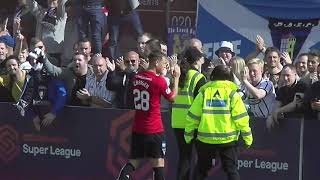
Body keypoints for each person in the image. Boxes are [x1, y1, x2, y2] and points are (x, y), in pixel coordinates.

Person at [117, 52, 180, 180]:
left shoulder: (137, 78)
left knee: (133, 162)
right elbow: (172, 97)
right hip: (154, 129)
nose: (164, 66)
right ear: (156, 63)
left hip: (138, 128)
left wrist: (160, 75)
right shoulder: (159, 81)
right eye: (163, 63)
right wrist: (177, 78)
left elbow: (149, 82)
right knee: (158, 163)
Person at [184, 65, 252, 180]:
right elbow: (242, 119)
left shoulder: (204, 93)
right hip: (228, 140)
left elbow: (192, 116)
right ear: (230, 78)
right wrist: (248, 138)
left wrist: (188, 135)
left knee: (201, 170)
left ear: (212, 77)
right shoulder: (232, 94)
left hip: (205, 139)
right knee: (231, 170)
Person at [171, 47, 206, 180]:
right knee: (201, 158)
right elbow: (202, 103)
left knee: (184, 157)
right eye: (201, 57)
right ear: (197, 60)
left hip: (177, 122)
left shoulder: (178, 74)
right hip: (193, 123)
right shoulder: (198, 77)